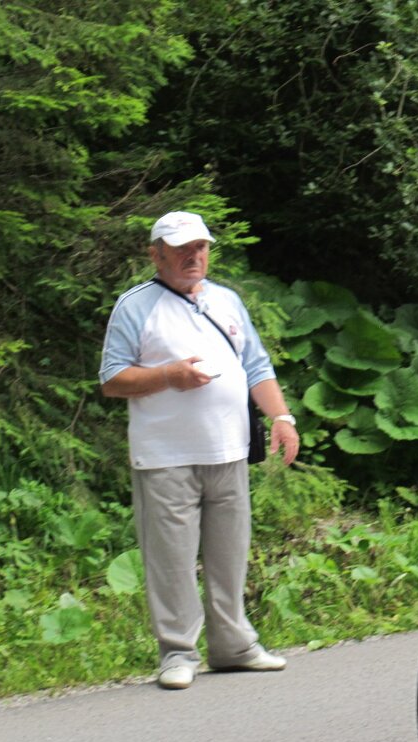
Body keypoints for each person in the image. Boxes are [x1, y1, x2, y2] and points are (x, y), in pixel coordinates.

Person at [100, 210, 300, 690]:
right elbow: (112, 379)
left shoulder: (226, 301)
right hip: (164, 456)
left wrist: (282, 418)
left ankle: (233, 646)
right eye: (182, 248)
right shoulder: (135, 306)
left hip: (227, 451)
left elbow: (256, 364)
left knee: (229, 554)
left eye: (201, 247)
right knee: (170, 560)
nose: (194, 256)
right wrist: (169, 375)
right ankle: (177, 652)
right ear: (157, 254)